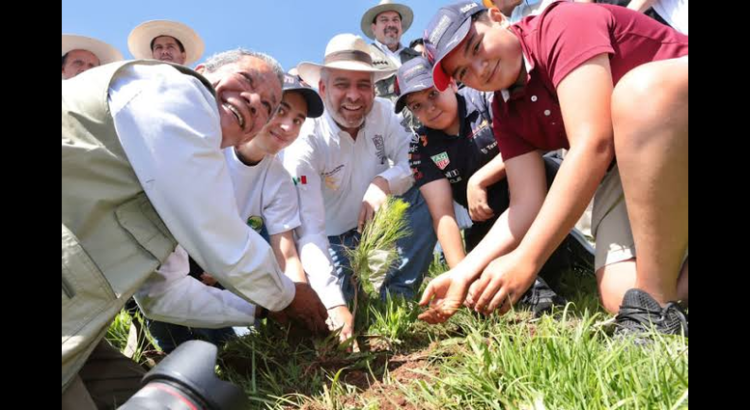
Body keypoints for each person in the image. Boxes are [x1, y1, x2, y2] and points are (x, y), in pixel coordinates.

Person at [62, 49, 328, 409]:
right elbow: (221, 239)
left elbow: (164, 294)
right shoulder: (175, 90)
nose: (253, 101)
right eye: (246, 81)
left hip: (79, 332)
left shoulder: (173, 168)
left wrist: (262, 310)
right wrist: (286, 296)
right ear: (202, 71)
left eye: (267, 105)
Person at [418, 1, 688, 339]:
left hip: (674, 115)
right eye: (463, 73)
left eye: (475, 47)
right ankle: (654, 297)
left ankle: (655, 312)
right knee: (619, 293)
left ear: (497, 18)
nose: (479, 68)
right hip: (637, 162)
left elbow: (593, 144)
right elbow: (525, 204)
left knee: (638, 93)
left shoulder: (561, 23)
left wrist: (527, 261)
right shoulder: (505, 110)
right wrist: (465, 271)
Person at [283, 34, 438, 334]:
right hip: (329, 241)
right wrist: (333, 304)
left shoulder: (383, 114)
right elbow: (310, 231)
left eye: (363, 85)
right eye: (342, 84)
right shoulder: (306, 142)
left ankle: (398, 297)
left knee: (427, 190)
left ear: (373, 88)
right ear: (323, 88)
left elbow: (414, 161)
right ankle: (348, 299)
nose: (354, 96)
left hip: (374, 224)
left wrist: (385, 182)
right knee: (342, 304)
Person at [127, 19, 205, 66]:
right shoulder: (141, 83)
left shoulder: (195, 84)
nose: (164, 52)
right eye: (158, 48)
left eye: (170, 47)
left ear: (183, 56)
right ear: (153, 56)